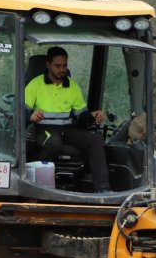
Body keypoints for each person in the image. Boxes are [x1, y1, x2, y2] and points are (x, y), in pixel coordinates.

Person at [24, 46, 110, 192]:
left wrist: (92, 116)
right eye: (57, 66)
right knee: (54, 143)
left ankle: (103, 189)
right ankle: (34, 181)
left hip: (67, 129)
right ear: (48, 65)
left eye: (64, 66)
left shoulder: (72, 86)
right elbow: (22, 110)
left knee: (94, 140)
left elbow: (81, 116)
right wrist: (31, 115)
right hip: (44, 129)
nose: (62, 69)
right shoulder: (35, 84)